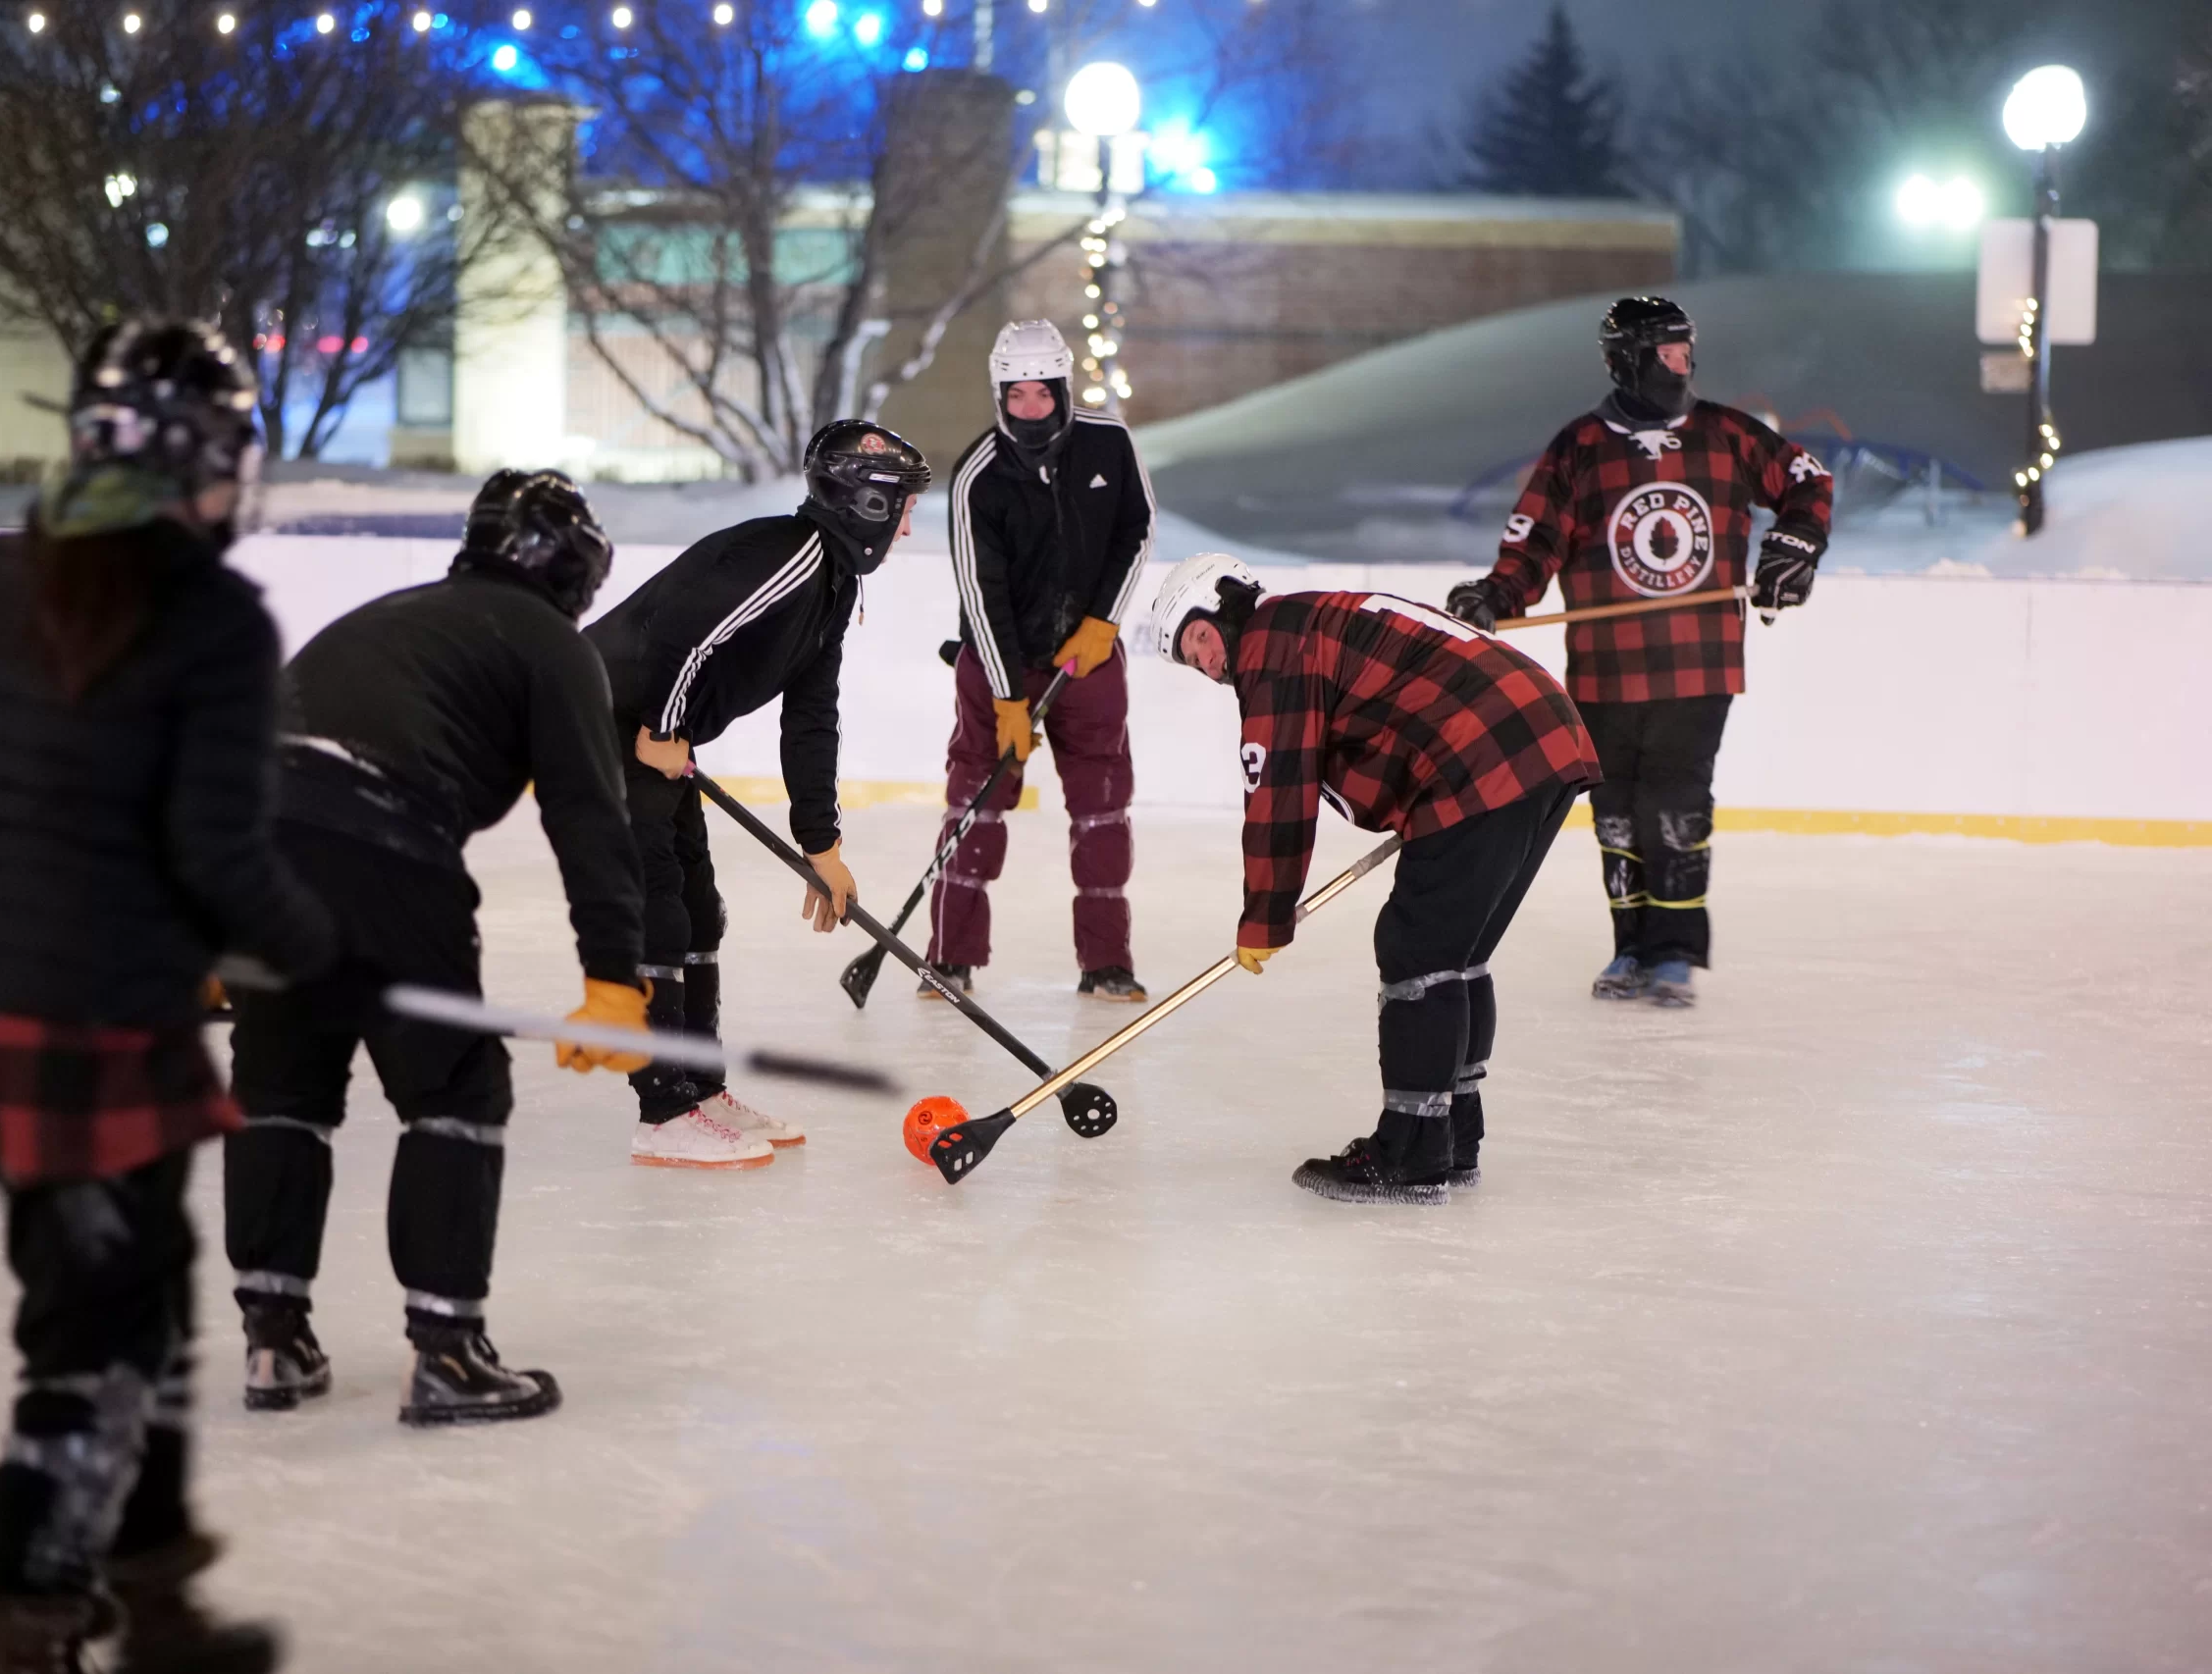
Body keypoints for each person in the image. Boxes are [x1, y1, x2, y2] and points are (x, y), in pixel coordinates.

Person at [0, 318, 329, 1674]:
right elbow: (223, 854)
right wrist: (319, 950)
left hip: (17, 1018)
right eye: (228, 460)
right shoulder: (212, 616)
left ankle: (152, 1596)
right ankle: (23, 1626)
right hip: (95, 1022)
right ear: (187, 463)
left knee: (147, 1297)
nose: (237, 489)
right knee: (92, 1337)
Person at [221, 470, 649, 1425]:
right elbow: (588, 816)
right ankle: (448, 1351)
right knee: (454, 1088)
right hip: (383, 840)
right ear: (572, 564)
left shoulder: (393, 614)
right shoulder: (552, 644)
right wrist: (614, 979)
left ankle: (273, 1342)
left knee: (284, 1090)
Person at [1153, 552, 1599, 1204]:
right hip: (1542, 736)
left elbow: (1279, 788)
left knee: (1417, 949)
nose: (1206, 662)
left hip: (1483, 754)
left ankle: (1413, 1153)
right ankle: (1453, 1137)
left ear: (1227, 600)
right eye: (1191, 660)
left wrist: (1265, 914)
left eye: (1197, 638)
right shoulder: (1310, 618)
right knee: (1457, 955)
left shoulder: (1271, 646)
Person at [1445, 295, 1834, 1007]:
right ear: (1630, 359)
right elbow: (1532, 546)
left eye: (1689, 351)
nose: (1685, 365)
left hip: (1699, 663)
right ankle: (1631, 948)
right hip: (1605, 669)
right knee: (1617, 810)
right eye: (1671, 352)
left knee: (1675, 805)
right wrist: (1496, 596)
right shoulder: (1580, 448)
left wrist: (1793, 549)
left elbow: (1808, 482)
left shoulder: (1727, 435)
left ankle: (1676, 953)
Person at [585, 421, 931, 1168]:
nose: (907, 521)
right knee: (659, 908)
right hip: (599, 719)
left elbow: (811, 720)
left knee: (699, 907)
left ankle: (699, 1089)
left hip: (646, 732)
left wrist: (822, 845)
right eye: (900, 504)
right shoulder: (790, 554)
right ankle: (663, 1108)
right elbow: (684, 634)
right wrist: (666, 723)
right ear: (864, 504)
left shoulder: (834, 586)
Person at [927, 319, 1156, 1002]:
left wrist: (1101, 621)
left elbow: (1135, 529)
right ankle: (948, 958)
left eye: (1042, 394)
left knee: (1102, 808)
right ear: (999, 395)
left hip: (1086, 661)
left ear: (1063, 388)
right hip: (1000, 661)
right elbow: (980, 590)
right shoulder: (978, 476)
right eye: (1016, 396)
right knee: (977, 806)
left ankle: (1107, 963)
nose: (1030, 409)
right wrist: (1005, 696)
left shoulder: (1109, 442)